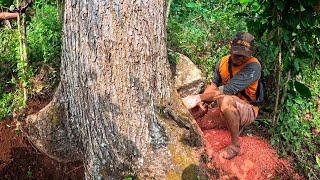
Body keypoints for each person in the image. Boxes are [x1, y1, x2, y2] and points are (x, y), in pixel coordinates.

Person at [182, 32, 261, 160]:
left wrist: (198, 97)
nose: (240, 58)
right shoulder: (223, 62)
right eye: (237, 53)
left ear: (250, 54)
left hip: (247, 108)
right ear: (230, 47)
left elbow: (227, 90)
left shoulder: (253, 67)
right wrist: (204, 103)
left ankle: (235, 146)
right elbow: (214, 85)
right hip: (228, 103)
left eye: (244, 55)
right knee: (201, 122)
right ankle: (230, 120)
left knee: (225, 100)